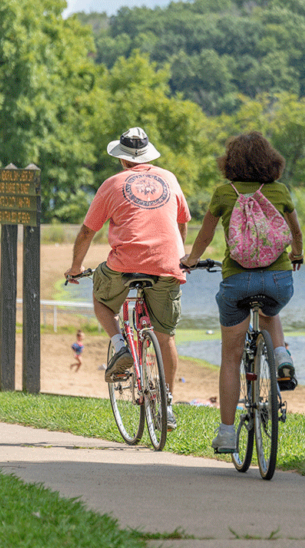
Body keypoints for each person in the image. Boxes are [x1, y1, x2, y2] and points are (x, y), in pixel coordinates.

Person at [182, 131, 303, 453]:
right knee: (271, 310)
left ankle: (226, 433)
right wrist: (297, 255)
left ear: (230, 162)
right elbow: (296, 232)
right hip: (278, 280)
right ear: (270, 160)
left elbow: (205, 236)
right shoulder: (279, 191)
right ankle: (280, 355)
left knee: (230, 357)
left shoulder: (224, 193)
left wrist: (190, 260)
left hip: (237, 282)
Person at [65, 127, 191, 432]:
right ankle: (168, 402)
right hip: (167, 265)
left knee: (100, 297)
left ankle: (121, 344)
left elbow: (87, 232)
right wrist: (180, 259)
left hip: (124, 265)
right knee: (166, 336)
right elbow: (181, 223)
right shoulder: (169, 178)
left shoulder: (112, 184)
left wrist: (75, 267)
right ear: (149, 155)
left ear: (122, 159)